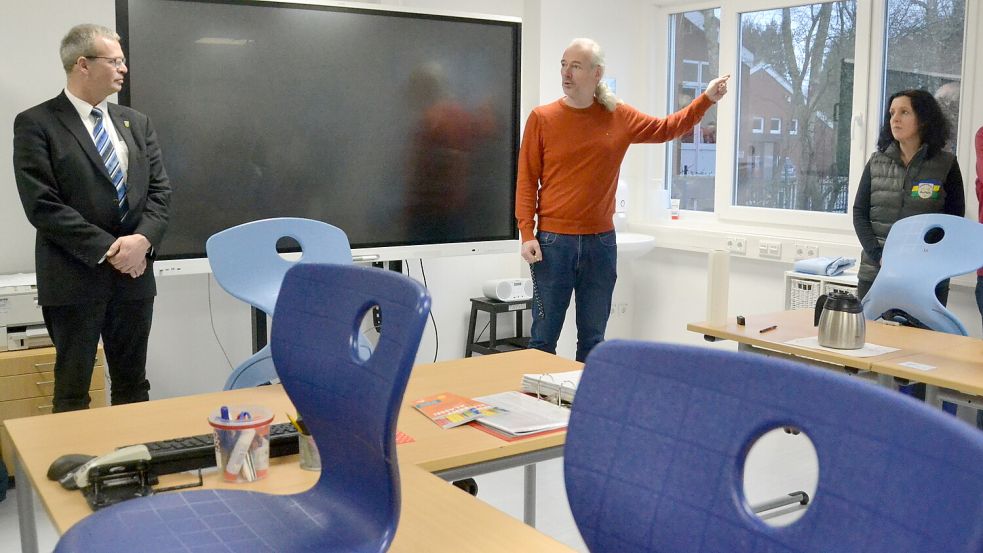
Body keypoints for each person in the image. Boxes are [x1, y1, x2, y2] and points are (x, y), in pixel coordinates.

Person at [515, 38, 728, 361]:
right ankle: (533, 409)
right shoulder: (542, 119)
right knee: (543, 341)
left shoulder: (619, 116)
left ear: (596, 73)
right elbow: (527, 180)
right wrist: (527, 233)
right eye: (563, 64)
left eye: (575, 66)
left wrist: (707, 99)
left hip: (601, 244)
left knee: (594, 342)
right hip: (553, 243)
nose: (566, 73)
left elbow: (668, 128)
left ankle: (584, 408)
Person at [13, 24, 172, 412]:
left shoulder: (137, 122)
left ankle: (135, 465)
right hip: (74, 275)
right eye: (114, 60)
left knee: (133, 384)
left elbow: (160, 193)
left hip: (134, 275)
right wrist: (110, 249)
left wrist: (141, 241)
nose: (124, 68)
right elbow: (42, 204)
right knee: (72, 388)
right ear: (82, 65)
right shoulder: (37, 123)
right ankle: (76, 469)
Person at [852, 89, 965, 303]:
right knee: (874, 337)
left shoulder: (946, 164)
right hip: (877, 274)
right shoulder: (877, 161)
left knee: (922, 337)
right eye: (892, 113)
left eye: (904, 112)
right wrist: (879, 255)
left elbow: (953, 222)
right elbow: (860, 214)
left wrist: (925, 257)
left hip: (928, 277)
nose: (895, 119)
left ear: (923, 120)